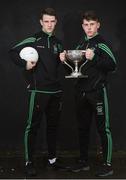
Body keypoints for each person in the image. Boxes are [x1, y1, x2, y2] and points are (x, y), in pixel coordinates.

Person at [9, 8, 66, 176]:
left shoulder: (58, 42)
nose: (49, 24)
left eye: (52, 21)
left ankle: (52, 160)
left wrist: (63, 60)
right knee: (32, 127)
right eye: (46, 21)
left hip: (55, 91)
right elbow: (12, 52)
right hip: (38, 90)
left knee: (53, 127)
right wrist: (25, 64)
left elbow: (56, 67)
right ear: (41, 22)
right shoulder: (34, 39)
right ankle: (29, 162)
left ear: (56, 22)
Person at [60, 10, 116, 177]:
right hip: (81, 92)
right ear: (82, 26)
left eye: (92, 25)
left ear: (98, 25)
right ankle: (83, 161)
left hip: (97, 92)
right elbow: (75, 69)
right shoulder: (80, 45)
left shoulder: (101, 43)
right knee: (82, 128)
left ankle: (107, 164)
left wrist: (95, 58)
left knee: (103, 129)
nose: (89, 28)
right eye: (86, 25)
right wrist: (64, 61)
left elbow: (112, 65)